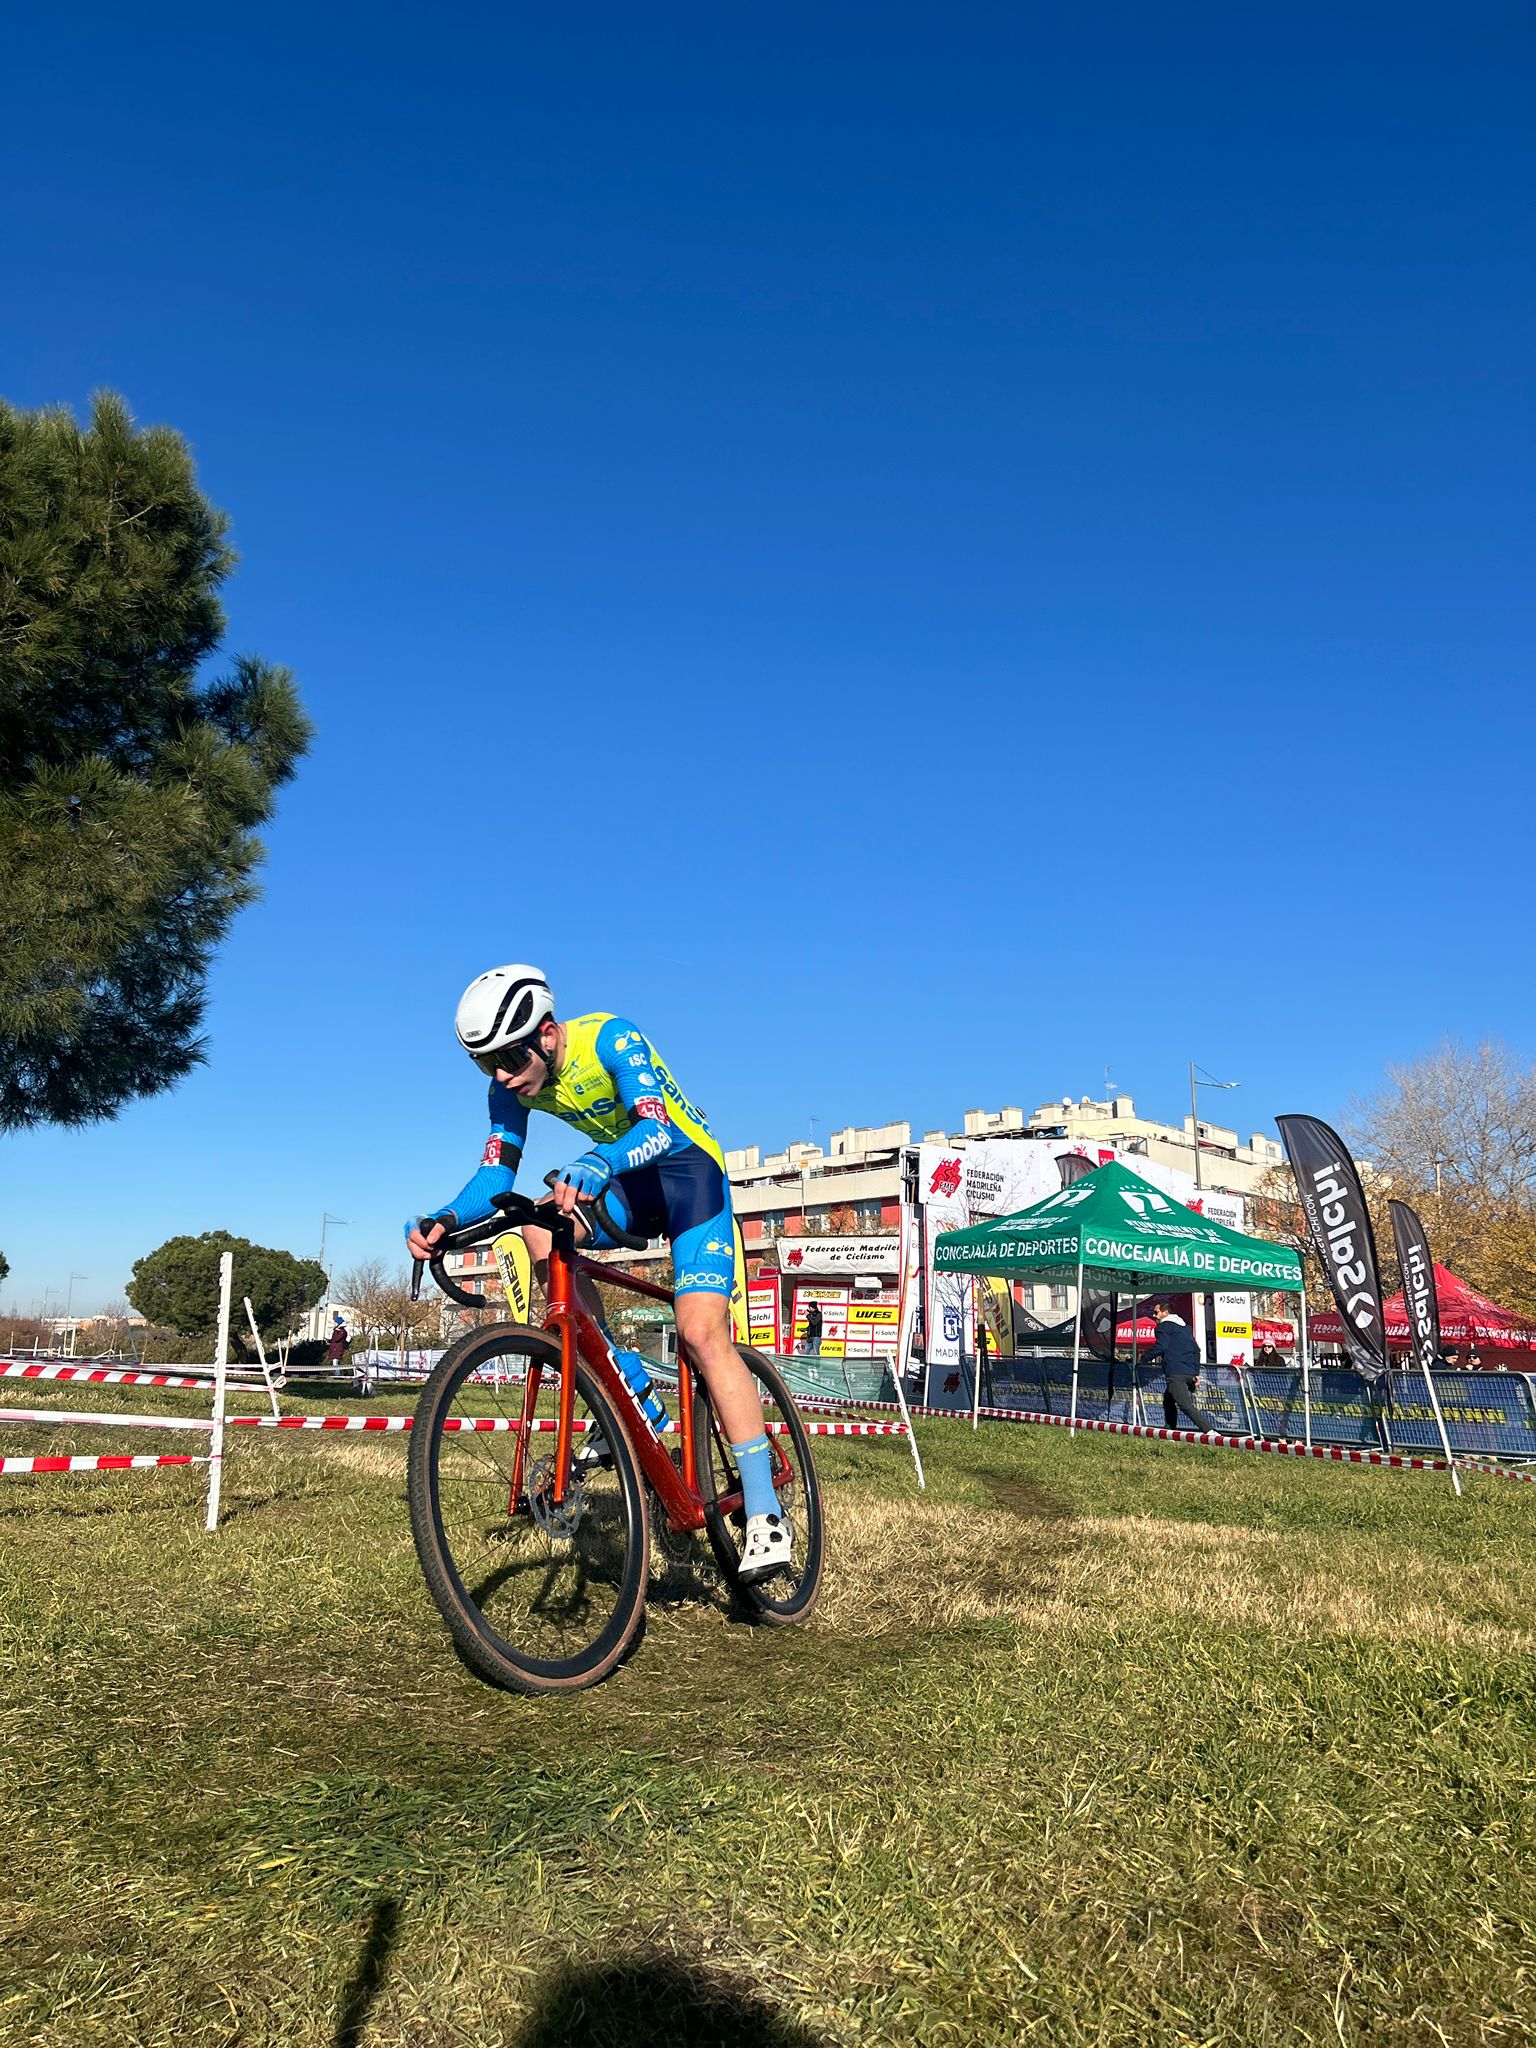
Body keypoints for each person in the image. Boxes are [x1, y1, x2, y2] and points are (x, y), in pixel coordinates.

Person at [406, 965, 791, 1582]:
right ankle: (625, 1386)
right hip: (625, 1182)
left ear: (549, 1034)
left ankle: (767, 1514)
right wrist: (444, 1219)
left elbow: (659, 1125)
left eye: (507, 1058)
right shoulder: (508, 1090)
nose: (501, 1076)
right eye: (485, 1065)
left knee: (699, 1334)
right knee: (537, 1224)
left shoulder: (612, 1037)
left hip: (689, 1177)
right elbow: (494, 1179)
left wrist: (596, 1160)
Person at [1144, 1300, 1217, 1432]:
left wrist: (1142, 1359)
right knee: (1168, 1399)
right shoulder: (1185, 1328)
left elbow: (1161, 1346)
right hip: (1189, 1372)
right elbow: (1197, 1350)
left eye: (1156, 1312)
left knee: (1185, 1405)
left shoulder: (1163, 1327)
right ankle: (1169, 1431)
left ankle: (1211, 1432)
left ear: (1165, 1313)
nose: (1153, 1316)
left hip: (1175, 1372)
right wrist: (1196, 1373)